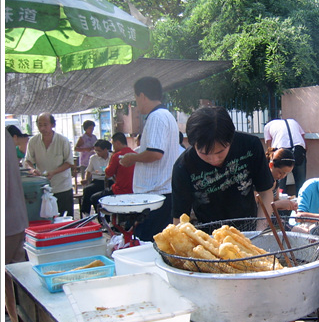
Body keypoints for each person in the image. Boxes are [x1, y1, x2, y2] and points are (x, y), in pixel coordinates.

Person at [172, 106, 275, 225]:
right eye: (204, 154)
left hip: (249, 229)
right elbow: (179, 218)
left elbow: (266, 191)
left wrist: (260, 229)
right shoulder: (183, 166)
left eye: (220, 152)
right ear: (193, 144)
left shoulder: (250, 146)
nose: (214, 159)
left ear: (231, 140)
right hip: (209, 236)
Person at [120, 77, 180, 241]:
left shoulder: (157, 117)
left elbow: (155, 153)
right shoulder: (165, 115)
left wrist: (132, 158)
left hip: (156, 194)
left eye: (136, 98)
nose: (136, 103)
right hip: (161, 192)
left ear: (142, 96)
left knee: (148, 243)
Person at [5, 133, 42, 322]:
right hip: (15, 220)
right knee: (14, 287)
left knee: (12, 288)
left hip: (8, 223)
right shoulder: (7, 136)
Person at [24, 112, 74, 217]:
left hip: (62, 187)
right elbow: (27, 161)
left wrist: (53, 172)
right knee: (46, 219)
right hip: (43, 188)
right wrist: (32, 170)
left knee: (65, 219)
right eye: (40, 125)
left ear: (52, 125)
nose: (42, 128)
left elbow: (69, 162)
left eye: (45, 124)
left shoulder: (62, 140)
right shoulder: (33, 141)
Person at [264, 117, 307, 195]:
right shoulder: (293, 121)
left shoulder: (268, 126)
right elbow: (303, 137)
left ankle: (280, 196)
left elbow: (269, 146)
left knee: (279, 181)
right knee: (301, 183)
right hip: (298, 149)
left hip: (281, 152)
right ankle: (301, 201)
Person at [81, 139, 112, 216]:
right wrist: (86, 179)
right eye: (96, 151)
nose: (97, 153)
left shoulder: (112, 157)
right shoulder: (93, 158)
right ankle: (86, 213)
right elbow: (88, 171)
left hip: (110, 180)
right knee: (87, 190)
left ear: (105, 150)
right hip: (98, 180)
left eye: (99, 151)